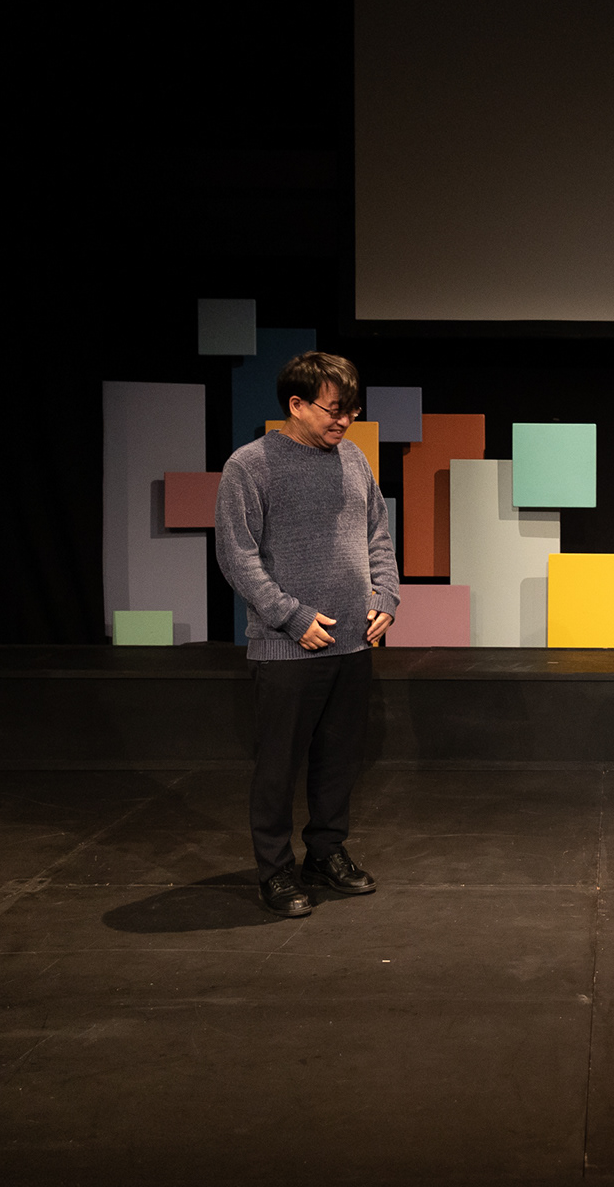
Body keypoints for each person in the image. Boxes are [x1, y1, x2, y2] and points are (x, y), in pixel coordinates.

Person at [216, 351, 401, 918]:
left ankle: (325, 853)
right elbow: (237, 556)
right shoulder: (250, 465)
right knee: (278, 767)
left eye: (351, 409)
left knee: (338, 761)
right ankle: (275, 870)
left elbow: (378, 535)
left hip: (354, 643)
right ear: (296, 405)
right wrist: (293, 617)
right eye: (333, 409)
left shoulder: (354, 459)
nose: (344, 420)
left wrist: (386, 597)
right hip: (287, 647)